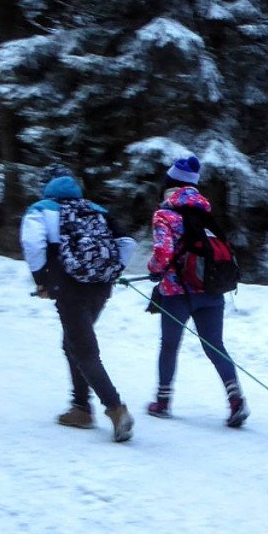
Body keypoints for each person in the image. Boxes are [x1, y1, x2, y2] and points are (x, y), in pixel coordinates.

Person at [20, 166, 136, 442]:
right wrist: (112, 271)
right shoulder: (95, 209)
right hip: (101, 287)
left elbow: (33, 244)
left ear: (46, 186)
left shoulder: (40, 209)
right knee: (72, 343)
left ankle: (116, 410)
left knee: (83, 350)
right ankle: (81, 408)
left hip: (69, 288)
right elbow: (127, 243)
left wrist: (42, 281)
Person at [145, 156, 248, 428]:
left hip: (177, 292)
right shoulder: (206, 213)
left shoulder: (165, 215)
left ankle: (162, 402)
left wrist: (154, 269)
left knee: (169, 346)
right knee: (215, 346)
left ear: (170, 184)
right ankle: (236, 399)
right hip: (211, 289)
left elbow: (162, 254)